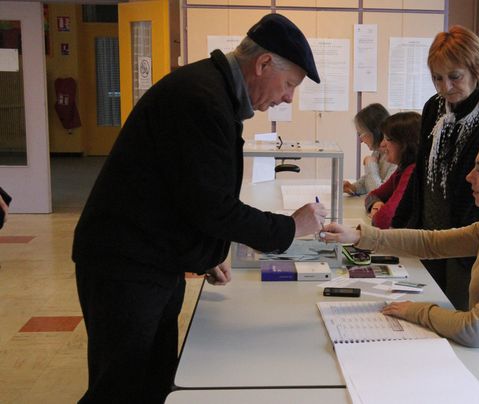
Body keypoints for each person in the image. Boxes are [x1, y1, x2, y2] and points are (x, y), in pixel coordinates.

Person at [72, 14, 327, 403]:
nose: (288, 97)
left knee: (154, 381)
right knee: (120, 387)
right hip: (126, 266)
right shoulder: (201, 99)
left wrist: (204, 252)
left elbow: (185, 191)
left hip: (151, 259)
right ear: (262, 65)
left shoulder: (211, 90)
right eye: (290, 84)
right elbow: (213, 207)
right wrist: (291, 227)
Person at [322, 129, 479, 404]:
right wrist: (361, 236)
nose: (470, 177)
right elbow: (432, 243)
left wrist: (416, 311)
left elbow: (477, 329)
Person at [392, 25, 479, 310]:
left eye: (455, 77)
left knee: (456, 322)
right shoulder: (433, 109)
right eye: (437, 78)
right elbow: (420, 176)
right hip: (427, 237)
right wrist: (398, 228)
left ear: (477, 70)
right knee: (421, 315)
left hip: (468, 248)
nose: (444, 87)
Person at [364, 111, 420, 229]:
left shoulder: (412, 171)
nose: (383, 144)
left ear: (404, 144)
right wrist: (376, 204)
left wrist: (377, 215)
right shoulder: (402, 169)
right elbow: (373, 194)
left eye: (387, 139)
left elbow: (383, 220)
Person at [343, 103, 395, 196]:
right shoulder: (378, 152)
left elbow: (378, 194)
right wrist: (354, 187)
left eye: (361, 134)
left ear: (374, 131)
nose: (360, 140)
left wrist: (370, 164)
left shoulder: (395, 157)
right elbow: (370, 179)